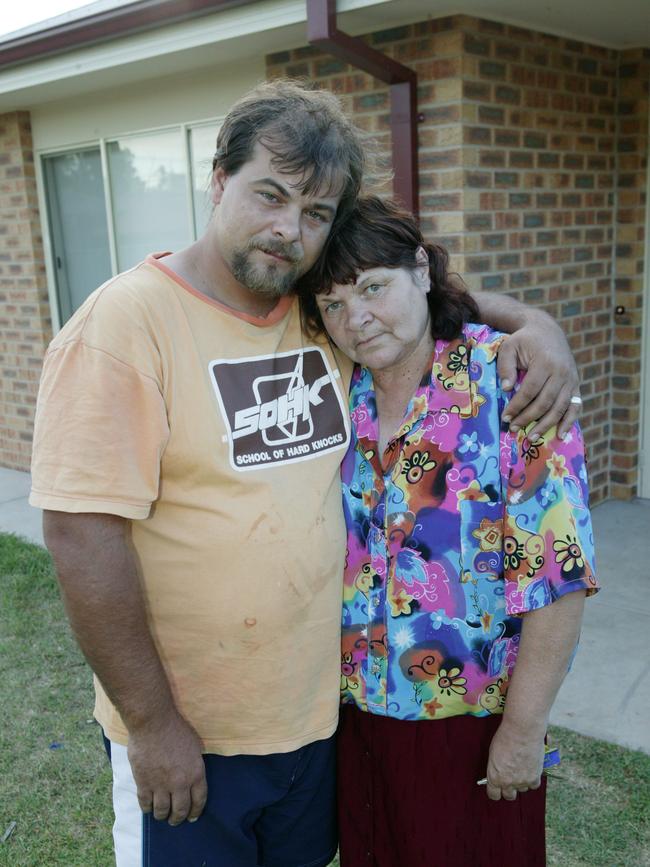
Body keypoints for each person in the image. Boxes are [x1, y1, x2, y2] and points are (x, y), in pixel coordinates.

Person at [31, 80, 583, 867]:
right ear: (218, 180)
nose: (289, 229)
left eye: (316, 212)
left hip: (321, 723)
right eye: (270, 194)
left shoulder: (309, 314)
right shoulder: (125, 325)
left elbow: (403, 295)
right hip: (194, 738)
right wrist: (153, 726)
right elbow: (81, 536)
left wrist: (537, 325)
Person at [298, 195, 598, 867]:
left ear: (423, 272)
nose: (358, 317)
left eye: (374, 287)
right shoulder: (336, 394)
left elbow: (558, 578)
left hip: (471, 725)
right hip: (358, 718)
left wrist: (523, 732)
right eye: (335, 304)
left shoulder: (510, 383)